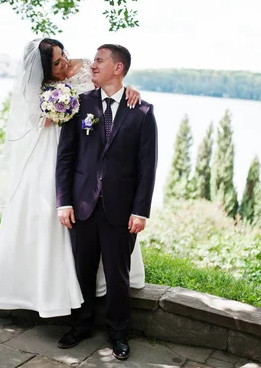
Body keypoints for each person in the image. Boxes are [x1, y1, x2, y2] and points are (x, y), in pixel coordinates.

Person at [0, 38, 145, 318]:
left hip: (86, 151)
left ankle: (95, 283)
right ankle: (45, 285)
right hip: (51, 149)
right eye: (56, 62)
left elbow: (111, 84)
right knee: (45, 213)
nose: (64, 62)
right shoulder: (39, 86)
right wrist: (54, 112)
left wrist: (129, 91)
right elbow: (33, 118)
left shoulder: (84, 67)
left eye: (63, 54)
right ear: (45, 69)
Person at [55, 44, 158, 360]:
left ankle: (118, 333)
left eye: (100, 60)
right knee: (82, 270)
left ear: (119, 68)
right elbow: (66, 156)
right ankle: (81, 325)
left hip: (121, 211)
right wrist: (64, 201)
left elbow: (147, 166)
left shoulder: (142, 112)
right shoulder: (79, 104)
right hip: (83, 206)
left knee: (117, 276)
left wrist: (141, 211)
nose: (93, 65)